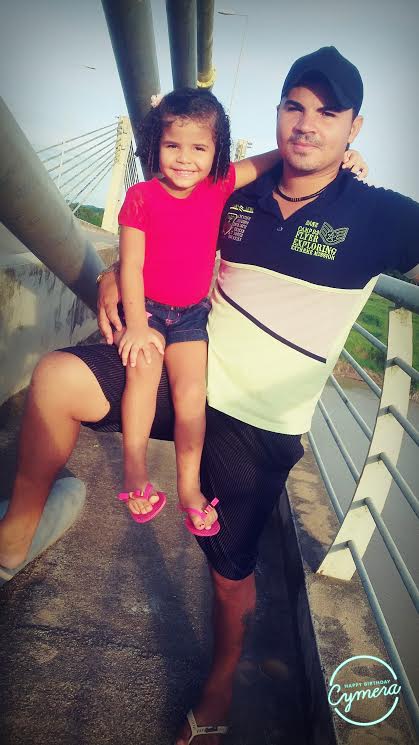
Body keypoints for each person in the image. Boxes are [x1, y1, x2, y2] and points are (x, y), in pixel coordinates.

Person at [1, 45, 416, 744]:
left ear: (354, 128)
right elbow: (164, 234)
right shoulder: (234, 189)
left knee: (228, 572)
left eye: (328, 113)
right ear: (276, 114)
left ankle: (221, 682)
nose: (306, 124)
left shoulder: (378, 215)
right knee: (55, 380)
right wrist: (113, 275)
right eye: (294, 107)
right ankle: (15, 537)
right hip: (183, 363)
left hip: (259, 420)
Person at [116, 88, 284, 533]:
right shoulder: (141, 196)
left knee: (192, 396)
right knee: (142, 377)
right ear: (156, 144)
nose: (185, 159)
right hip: (148, 313)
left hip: (192, 315)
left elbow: (270, 160)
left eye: (199, 148)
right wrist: (136, 325)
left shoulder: (219, 186)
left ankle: (188, 488)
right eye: (173, 145)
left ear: (217, 151)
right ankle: (135, 473)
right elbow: (130, 266)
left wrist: (342, 155)